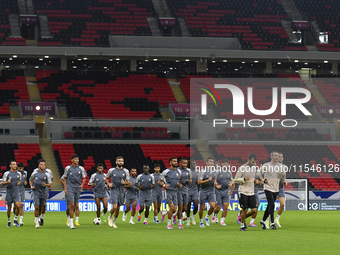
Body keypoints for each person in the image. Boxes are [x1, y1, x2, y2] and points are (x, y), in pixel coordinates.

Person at [259, 151, 286, 230]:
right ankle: (272, 223)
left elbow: (283, 175)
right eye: (275, 155)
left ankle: (263, 220)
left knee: (270, 205)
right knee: (272, 204)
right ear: (271, 156)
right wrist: (262, 180)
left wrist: (284, 179)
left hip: (276, 188)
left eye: (278, 155)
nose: (277, 157)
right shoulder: (267, 165)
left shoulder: (280, 166)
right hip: (268, 187)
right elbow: (258, 172)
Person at [234, 153, 259, 231]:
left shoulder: (254, 168)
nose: (254, 163)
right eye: (252, 162)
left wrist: (254, 181)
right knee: (245, 209)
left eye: (255, 162)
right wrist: (244, 179)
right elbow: (236, 179)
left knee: (254, 210)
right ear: (248, 160)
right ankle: (242, 226)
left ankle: (241, 218)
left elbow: (251, 179)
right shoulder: (242, 168)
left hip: (251, 192)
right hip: (243, 191)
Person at [62, 155, 86, 229]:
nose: (77, 160)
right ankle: (71, 223)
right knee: (71, 205)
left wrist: (82, 185)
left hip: (77, 188)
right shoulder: (68, 168)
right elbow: (64, 178)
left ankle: (73, 220)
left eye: (78, 159)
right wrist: (65, 187)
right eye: (75, 159)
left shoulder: (81, 168)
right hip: (70, 188)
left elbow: (84, 178)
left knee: (76, 205)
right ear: (72, 160)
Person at [105, 156, 130, 228]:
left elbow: (128, 182)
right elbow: (106, 178)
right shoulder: (111, 170)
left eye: (121, 161)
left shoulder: (126, 171)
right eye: (119, 161)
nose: (120, 162)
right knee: (115, 207)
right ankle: (110, 217)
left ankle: (114, 222)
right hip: (114, 190)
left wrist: (124, 183)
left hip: (121, 191)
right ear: (116, 162)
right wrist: (109, 184)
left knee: (118, 208)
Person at [158, 157, 182, 230]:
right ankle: (169, 224)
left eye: (176, 161)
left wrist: (179, 184)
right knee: (171, 207)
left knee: (174, 209)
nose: (176, 162)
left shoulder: (178, 172)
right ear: (170, 162)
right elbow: (159, 182)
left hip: (175, 192)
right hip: (168, 192)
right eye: (174, 161)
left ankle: (164, 213)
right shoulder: (166, 172)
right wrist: (164, 185)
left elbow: (178, 181)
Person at [29, 159, 52, 229]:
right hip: (36, 192)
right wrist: (31, 186)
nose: (43, 166)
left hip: (44, 192)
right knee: (36, 207)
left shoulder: (47, 174)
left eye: (44, 165)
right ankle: (36, 222)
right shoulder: (34, 173)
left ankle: (39, 217)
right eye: (42, 164)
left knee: (42, 207)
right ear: (39, 165)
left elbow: (50, 183)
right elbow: (30, 179)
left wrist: (45, 185)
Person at [212, 159, 234, 226]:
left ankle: (222, 221)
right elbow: (214, 181)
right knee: (218, 207)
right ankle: (214, 213)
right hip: (218, 191)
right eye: (224, 164)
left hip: (226, 191)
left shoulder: (229, 172)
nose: (225, 165)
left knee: (226, 207)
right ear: (221, 164)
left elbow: (232, 180)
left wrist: (230, 184)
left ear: (228, 165)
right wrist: (216, 185)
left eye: (226, 164)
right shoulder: (218, 171)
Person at [198, 157, 216, 228]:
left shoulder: (214, 171)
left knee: (213, 206)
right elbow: (199, 182)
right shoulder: (203, 171)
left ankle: (207, 217)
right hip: (203, 191)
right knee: (202, 207)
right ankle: (201, 222)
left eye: (212, 162)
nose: (211, 163)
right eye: (210, 162)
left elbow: (214, 178)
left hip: (211, 191)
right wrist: (208, 180)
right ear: (207, 163)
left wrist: (215, 183)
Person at [1, 161, 21, 227]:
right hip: (9, 192)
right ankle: (9, 221)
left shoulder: (19, 173)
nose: (15, 165)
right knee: (9, 208)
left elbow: (20, 181)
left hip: (16, 192)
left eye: (16, 164)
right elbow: (2, 183)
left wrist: (19, 183)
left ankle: (15, 220)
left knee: (18, 206)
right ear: (10, 166)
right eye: (13, 164)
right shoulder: (7, 173)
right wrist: (7, 182)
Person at [176, 157, 192, 229]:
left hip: (186, 190)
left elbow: (189, 179)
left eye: (186, 163)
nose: (185, 164)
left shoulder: (188, 171)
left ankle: (175, 214)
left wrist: (189, 181)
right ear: (180, 163)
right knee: (180, 207)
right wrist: (178, 183)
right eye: (183, 163)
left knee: (185, 208)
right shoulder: (177, 170)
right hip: (178, 190)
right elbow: (175, 180)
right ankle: (179, 223)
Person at [274, 152, 288, 228]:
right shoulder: (273, 166)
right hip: (273, 187)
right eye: (279, 157)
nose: (280, 158)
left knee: (282, 204)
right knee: (270, 205)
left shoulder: (284, 167)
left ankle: (277, 219)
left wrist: (284, 181)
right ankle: (266, 220)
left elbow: (284, 175)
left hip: (280, 188)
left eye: (282, 157)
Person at [186, 159, 199, 226]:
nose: (194, 165)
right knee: (188, 206)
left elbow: (199, 181)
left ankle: (192, 217)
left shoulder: (197, 172)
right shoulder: (186, 171)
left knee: (196, 205)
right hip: (187, 190)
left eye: (195, 163)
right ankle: (188, 219)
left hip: (195, 190)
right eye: (193, 163)